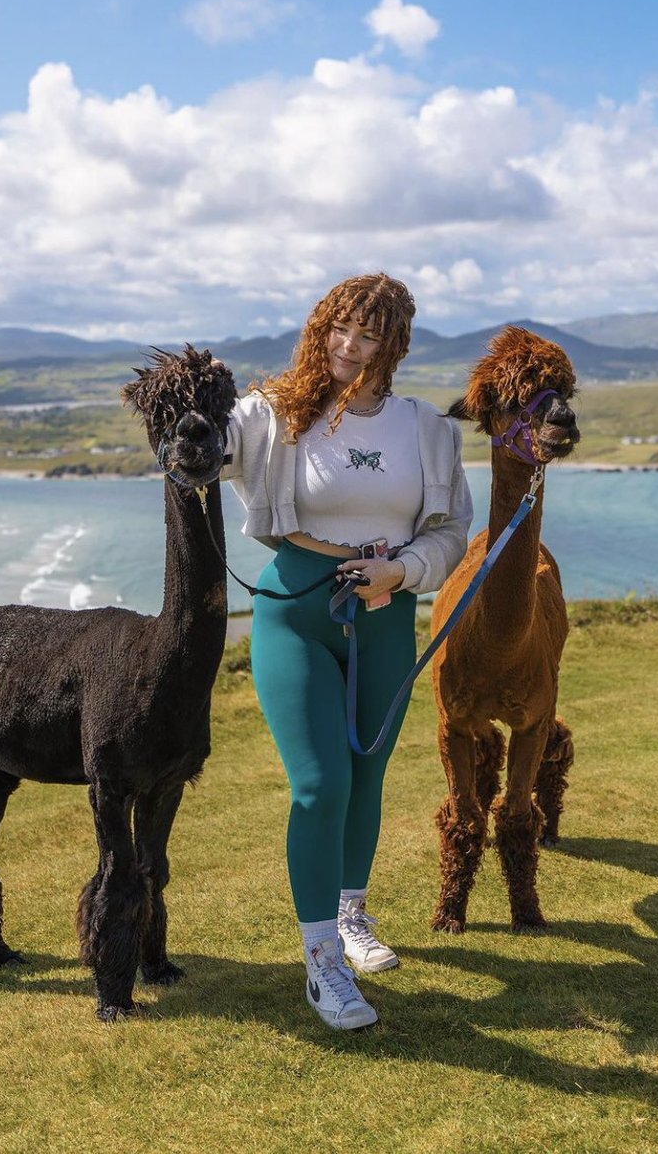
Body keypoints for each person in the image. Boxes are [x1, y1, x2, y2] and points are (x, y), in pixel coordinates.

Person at [222, 272, 473, 1030]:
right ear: (318, 327)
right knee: (318, 784)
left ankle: (351, 916)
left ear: (391, 345)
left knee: (366, 775)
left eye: (367, 334)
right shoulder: (272, 415)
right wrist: (187, 411)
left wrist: (401, 572)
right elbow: (207, 440)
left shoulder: (427, 429)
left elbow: (451, 532)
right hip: (298, 605)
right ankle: (321, 962)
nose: (348, 346)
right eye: (338, 328)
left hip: (386, 613)